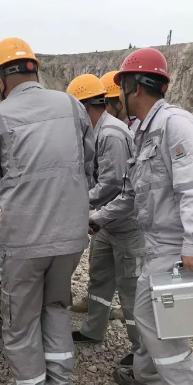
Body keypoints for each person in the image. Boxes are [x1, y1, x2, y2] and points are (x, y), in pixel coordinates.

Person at [88, 48, 193, 385]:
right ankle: (149, 373)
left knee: (156, 317)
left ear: (135, 86)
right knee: (149, 312)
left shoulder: (175, 125)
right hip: (159, 240)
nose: (119, 94)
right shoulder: (144, 130)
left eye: (122, 85)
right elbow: (131, 196)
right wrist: (96, 219)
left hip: (178, 242)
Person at [0, 37, 95, 385]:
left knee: (21, 317)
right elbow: (87, 163)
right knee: (57, 306)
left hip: (24, 239)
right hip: (71, 236)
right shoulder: (72, 105)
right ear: (34, 70)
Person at [66, 74, 144, 368]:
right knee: (100, 278)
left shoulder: (111, 134)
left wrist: (80, 206)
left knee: (131, 290)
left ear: (85, 107)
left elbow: (112, 184)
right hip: (106, 224)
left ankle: (141, 352)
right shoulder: (97, 132)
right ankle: (93, 330)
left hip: (125, 225)